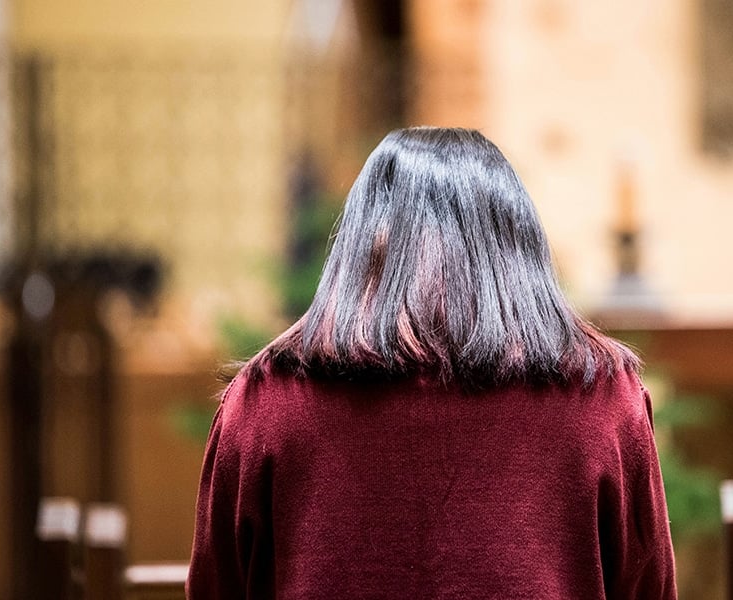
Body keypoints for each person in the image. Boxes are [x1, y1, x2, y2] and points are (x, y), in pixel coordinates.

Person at [187, 127, 676, 599]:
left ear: (356, 249)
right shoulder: (606, 404)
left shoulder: (263, 405)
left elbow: (217, 587)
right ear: (518, 250)